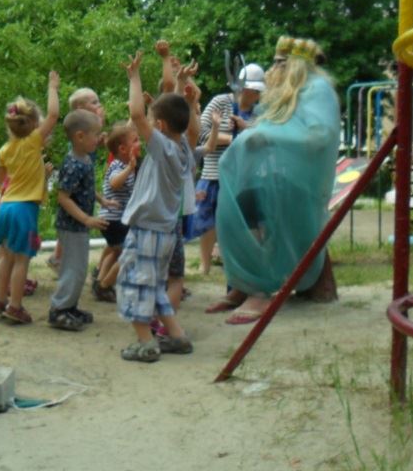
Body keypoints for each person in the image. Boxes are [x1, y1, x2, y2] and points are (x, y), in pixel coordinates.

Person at [209, 36, 340, 324]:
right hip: (277, 178)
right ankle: (245, 282)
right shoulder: (288, 90)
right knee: (240, 206)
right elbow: (273, 125)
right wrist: (258, 134)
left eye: (280, 62)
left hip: (301, 182)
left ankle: (261, 289)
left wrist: (268, 136)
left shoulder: (317, 89)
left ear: (295, 65)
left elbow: (321, 135)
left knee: (262, 212)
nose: (273, 68)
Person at [116, 51, 200, 363]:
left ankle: (145, 342)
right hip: (165, 231)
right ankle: (176, 336)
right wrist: (181, 87)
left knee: (136, 283)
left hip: (148, 231)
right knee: (154, 286)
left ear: (160, 126)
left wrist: (134, 77)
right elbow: (184, 120)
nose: (147, 126)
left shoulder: (163, 147)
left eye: (153, 122)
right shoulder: (182, 148)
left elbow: (137, 114)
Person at [0, 70, 60, 324]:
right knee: (22, 260)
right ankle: (15, 306)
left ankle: (0, 300)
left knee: (6, 256)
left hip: (5, 206)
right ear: (33, 124)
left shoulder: (5, 149)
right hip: (24, 209)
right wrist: (52, 87)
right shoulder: (32, 142)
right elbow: (54, 115)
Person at [193, 63, 265, 274]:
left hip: (243, 176)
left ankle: (234, 262)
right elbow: (201, 133)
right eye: (255, 90)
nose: (258, 95)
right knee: (207, 220)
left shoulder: (258, 112)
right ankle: (205, 264)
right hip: (214, 172)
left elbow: (261, 140)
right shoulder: (220, 102)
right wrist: (231, 138)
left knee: (238, 222)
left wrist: (244, 130)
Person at [48, 108, 108, 331]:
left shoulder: (84, 159)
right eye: (95, 135)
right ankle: (59, 309)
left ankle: (70, 306)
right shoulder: (73, 164)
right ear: (80, 136)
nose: (98, 139)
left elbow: (85, 188)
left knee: (79, 268)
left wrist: (102, 200)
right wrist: (86, 219)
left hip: (78, 226)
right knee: (73, 269)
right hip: (72, 226)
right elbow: (63, 197)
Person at [46, 86, 109, 275]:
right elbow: (66, 193)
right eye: (94, 102)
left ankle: (58, 258)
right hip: (75, 209)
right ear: (81, 109)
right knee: (70, 232)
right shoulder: (76, 153)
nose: (99, 105)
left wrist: (100, 199)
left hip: (82, 199)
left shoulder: (86, 138)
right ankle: (58, 258)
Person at [92, 121, 139, 302]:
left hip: (117, 219)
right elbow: (114, 183)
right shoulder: (118, 165)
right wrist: (129, 169)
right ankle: (105, 284)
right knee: (129, 253)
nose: (139, 144)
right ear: (123, 149)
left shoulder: (126, 165)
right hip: (113, 220)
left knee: (115, 252)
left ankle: (100, 282)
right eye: (135, 141)